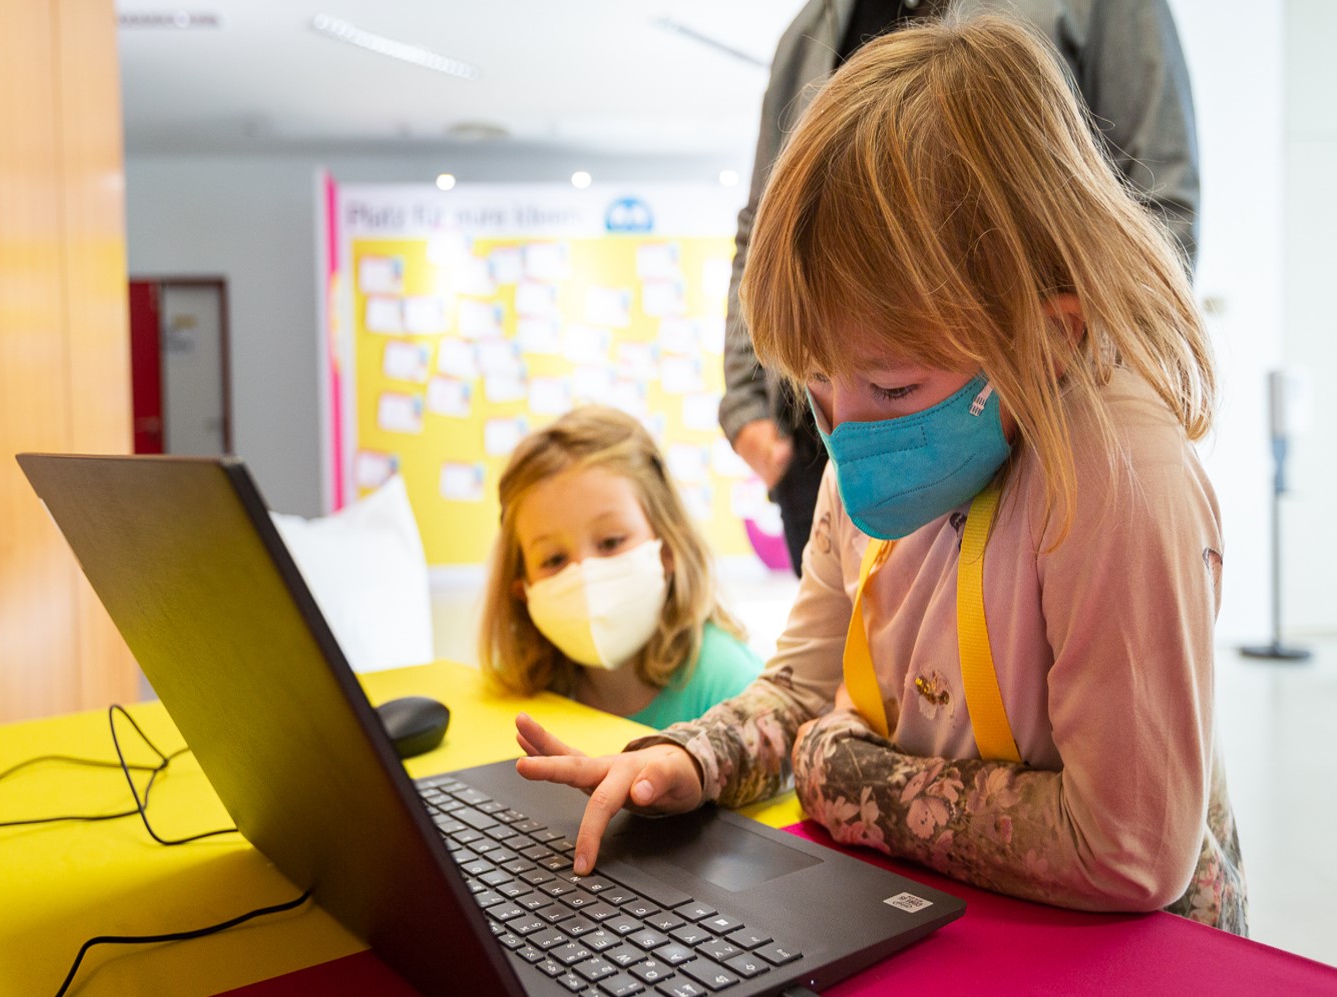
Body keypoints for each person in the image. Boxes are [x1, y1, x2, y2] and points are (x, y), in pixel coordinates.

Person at [515, 15, 1246, 933]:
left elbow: (1128, 846)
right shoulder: (872, 438)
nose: (847, 437)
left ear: (1051, 331)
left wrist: (843, 776)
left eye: (894, 385)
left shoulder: (1116, 477)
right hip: (962, 920)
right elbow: (804, 691)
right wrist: (688, 759)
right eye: (817, 385)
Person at [722, 0, 1200, 574]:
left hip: (1018, 419)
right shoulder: (812, 28)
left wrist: (1083, 400)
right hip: (820, 446)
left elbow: (1155, 206)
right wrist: (750, 402)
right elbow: (765, 226)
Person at [478, 405, 762, 729]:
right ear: (522, 589)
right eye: (554, 560)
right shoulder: (521, 690)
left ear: (668, 548)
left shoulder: (730, 684)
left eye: (611, 542)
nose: (585, 575)